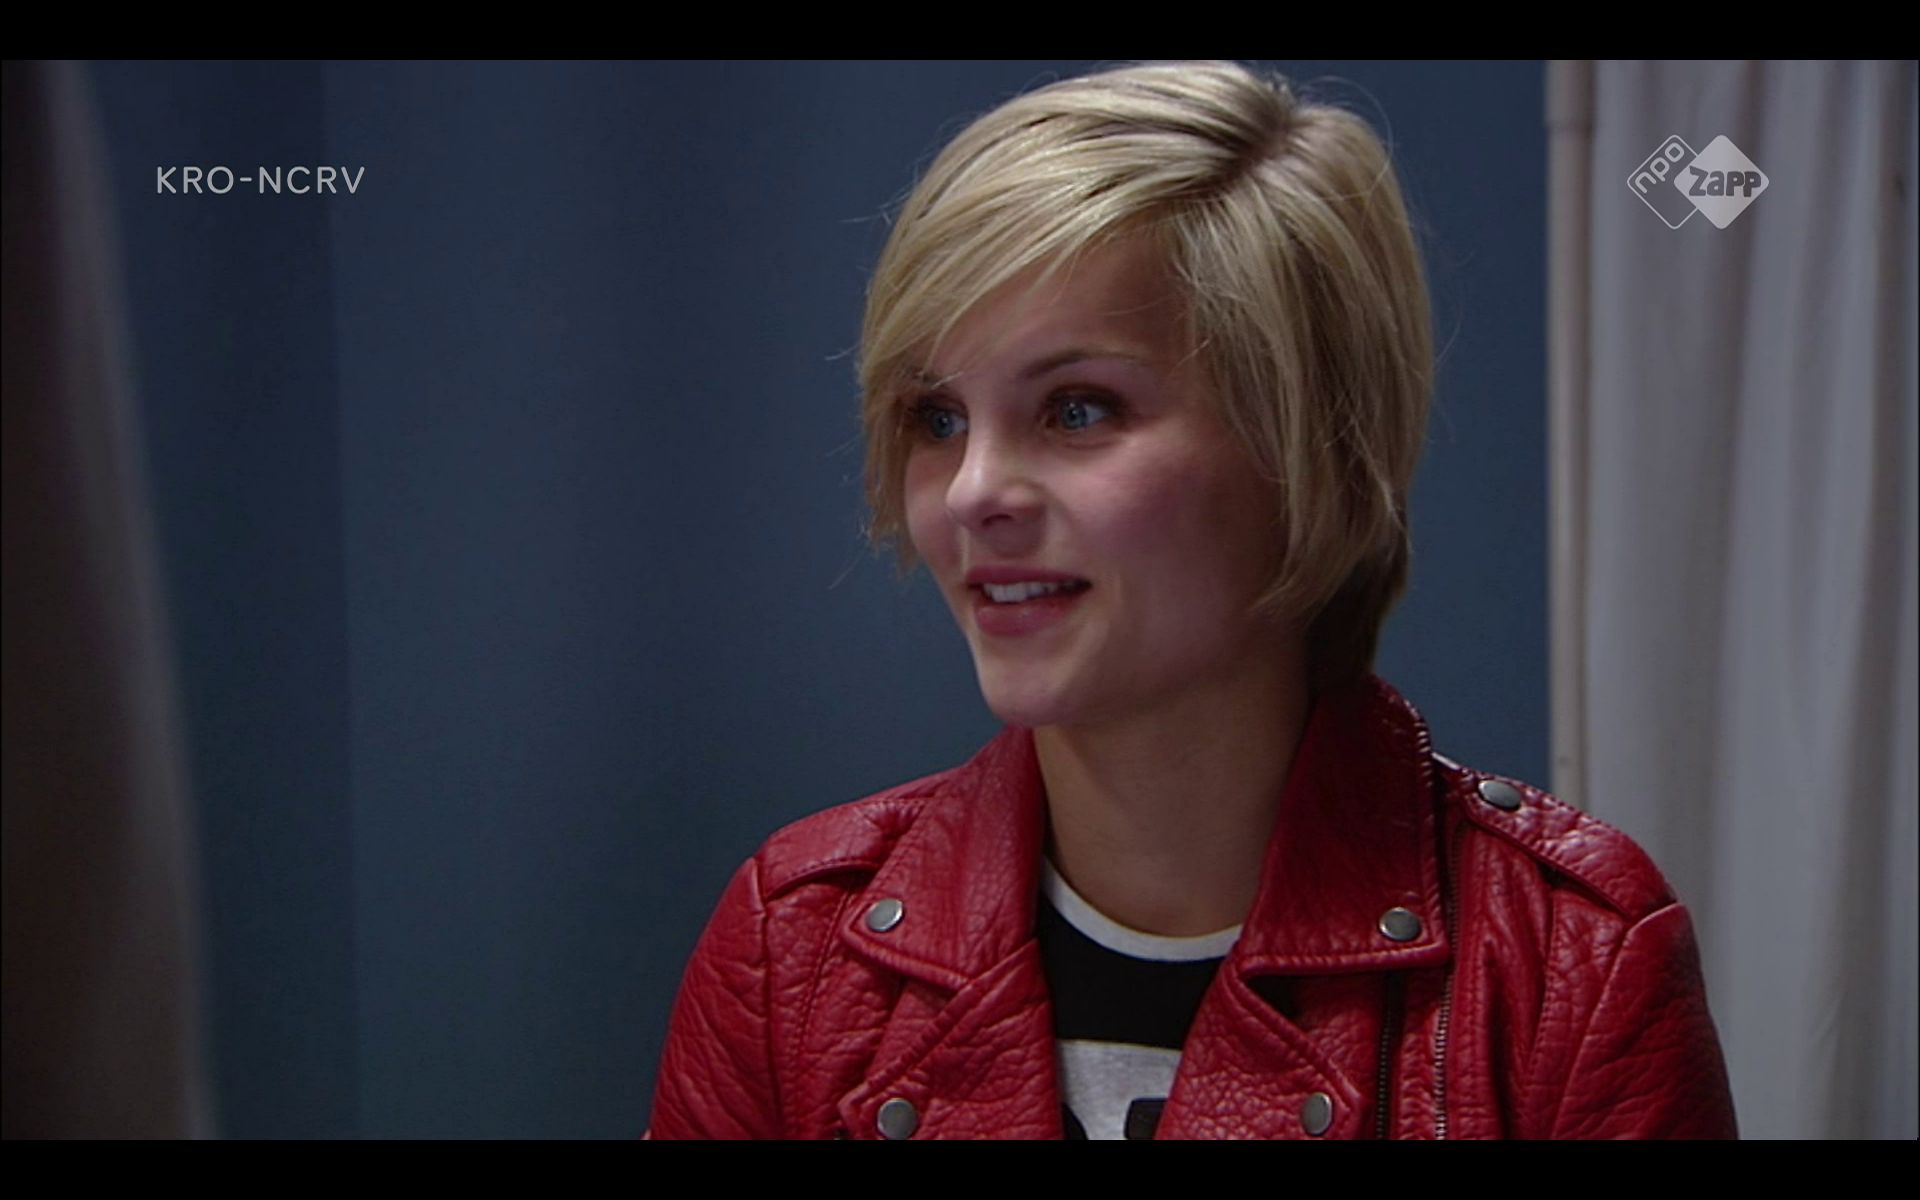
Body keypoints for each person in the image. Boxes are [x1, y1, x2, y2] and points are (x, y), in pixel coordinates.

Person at [646, 60, 1737, 1140]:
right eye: (937, 419)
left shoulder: (1567, 970)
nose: (972, 493)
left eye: (1077, 409)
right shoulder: (794, 948)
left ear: (1307, 446)